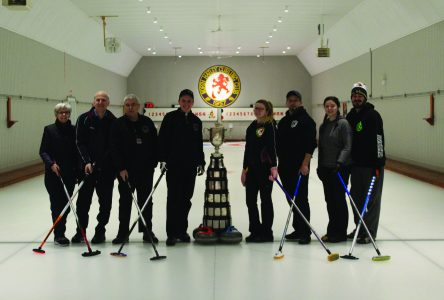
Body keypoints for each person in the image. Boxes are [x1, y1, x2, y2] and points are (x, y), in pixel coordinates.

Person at [158, 89, 205, 246]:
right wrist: (162, 159)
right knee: (173, 199)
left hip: (189, 167)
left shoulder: (196, 122)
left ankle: (181, 230)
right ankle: (171, 233)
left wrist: (201, 162)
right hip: (173, 167)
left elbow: (199, 145)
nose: (186, 104)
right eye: (183, 101)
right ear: (179, 101)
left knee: (186, 200)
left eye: (189, 101)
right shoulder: (170, 118)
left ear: (193, 103)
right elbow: (162, 140)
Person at [110, 94, 158, 244]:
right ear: (124, 107)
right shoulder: (118, 124)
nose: (130, 107)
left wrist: (153, 163)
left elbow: (155, 144)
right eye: (127, 105)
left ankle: (147, 232)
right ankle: (123, 233)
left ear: (138, 106)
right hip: (126, 172)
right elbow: (114, 148)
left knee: (146, 203)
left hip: (145, 171)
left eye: (133, 104)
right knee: (125, 202)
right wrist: (120, 168)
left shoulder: (147, 122)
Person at [72, 91, 116, 244]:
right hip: (86, 170)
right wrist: (87, 162)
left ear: (108, 103)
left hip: (106, 171)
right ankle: (80, 231)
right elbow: (79, 142)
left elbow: (114, 145)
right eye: (97, 99)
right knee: (83, 203)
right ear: (93, 102)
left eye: (103, 100)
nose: (100, 102)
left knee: (105, 204)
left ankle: (100, 231)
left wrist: (103, 162)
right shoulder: (83, 119)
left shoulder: (113, 121)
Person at [346, 82, 385, 244]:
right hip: (356, 166)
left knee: (372, 200)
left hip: (371, 166)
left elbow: (378, 139)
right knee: (356, 198)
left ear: (365, 98)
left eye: (360, 96)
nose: (357, 98)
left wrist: (379, 163)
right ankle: (360, 228)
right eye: (354, 96)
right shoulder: (350, 116)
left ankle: (369, 232)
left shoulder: (373, 115)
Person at [276, 90, 317, 245]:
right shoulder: (285, 120)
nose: (292, 103)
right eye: (290, 100)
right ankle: (298, 228)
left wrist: (305, 163)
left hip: (299, 167)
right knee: (291, 198)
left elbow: (311, 145)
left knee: (300, 199)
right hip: (284, 167)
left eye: (295, 100)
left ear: (300, 102)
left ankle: (305, 232)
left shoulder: (307, 120)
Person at [39, 103, 78, 246]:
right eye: (61, 112)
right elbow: (43, 151)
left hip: (70, 175)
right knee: (56, 205)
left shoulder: (74, 130)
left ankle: (61, 230)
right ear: (56, 114)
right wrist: (51, 164)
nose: (64, 115)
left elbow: (77, 151)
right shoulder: (49, 130)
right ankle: (59, 235)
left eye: (66, 112)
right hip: (53, 175)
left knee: (66, 205)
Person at [241, 99, 278, 243]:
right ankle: (255, 230)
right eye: (255, 108)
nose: (257, 110)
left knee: (265, 201)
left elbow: (272, 148)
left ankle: (266, 232)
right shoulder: (252, 126)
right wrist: (244, 170)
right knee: (250, 201)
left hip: (265, 170)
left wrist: (273, 167)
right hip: (251, 171)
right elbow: (247, 149)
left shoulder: (271, 126)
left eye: (260, 108)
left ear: (267, 110)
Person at [317, 96, 352, 243]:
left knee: (339, 200)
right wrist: (320, 166)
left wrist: (339, 163)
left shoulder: (343, 124)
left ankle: (340, 232)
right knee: (330, 201)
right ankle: (332, 231)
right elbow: (321, 148)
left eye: (332, 106)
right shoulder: (324, 125)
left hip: (339, 169)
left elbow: (347, 145)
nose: (329, 108)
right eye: (327, 106)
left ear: (337, 107)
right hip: (326, 169)